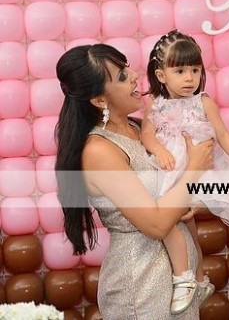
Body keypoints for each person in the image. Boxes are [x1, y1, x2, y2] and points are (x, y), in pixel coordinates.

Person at [55, 44, 214, 319]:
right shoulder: (100, 150)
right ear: (99, 100)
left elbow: (171, 194)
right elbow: (155, 224)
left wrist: (188, 203)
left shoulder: (143, 130)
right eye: (121, 76)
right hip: (142, 287)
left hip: (179, 286)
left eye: (127, 67)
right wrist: (195, 169)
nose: (133, 76)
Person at [141, 30, 229, 314]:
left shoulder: (203, 102)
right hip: (170, 169)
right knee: (173, 220)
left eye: (195, 70)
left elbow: (223, 135)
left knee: (183, 222)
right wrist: (159, 150)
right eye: (180, 71)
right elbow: (147, 135)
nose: (190, 78)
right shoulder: (155, 104)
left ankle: (191, 277)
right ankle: (190, 276)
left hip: (197, 169)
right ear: (161, 75)